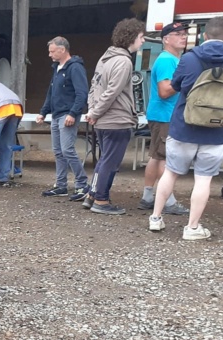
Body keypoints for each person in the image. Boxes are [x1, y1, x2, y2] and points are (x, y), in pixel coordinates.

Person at [148, 16, 223, 240]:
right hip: (217, 130)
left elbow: (176, 85)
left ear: (204, 36)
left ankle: (155, 218)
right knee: (203, 179)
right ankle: (192, 228)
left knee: (170, 173)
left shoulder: (190, 58)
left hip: (184, 127)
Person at [83, 18, 146, 215]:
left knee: (103, 160)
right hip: (117, 120)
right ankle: (101, 200)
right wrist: (95, 112)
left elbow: (94, 87)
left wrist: (93, 111)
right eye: (141, 37)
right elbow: (112, 92)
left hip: (103, 121)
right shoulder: (124, 61)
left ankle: (92, 194)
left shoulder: (105, 58)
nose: (143, 41)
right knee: (110, 162)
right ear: (132, 37)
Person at [139, 22, 190, 215]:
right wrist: (188, 81)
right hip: (166, 115)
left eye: (184, 34)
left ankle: (148, 196)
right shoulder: (168, 60)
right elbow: (164, 91)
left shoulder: (169, 59)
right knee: (165, 159)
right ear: (166, 39)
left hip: (160, 115)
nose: (183, 37)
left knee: (156, 156)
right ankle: (168, 201)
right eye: (178, 34)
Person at [37, 37, 90, 201]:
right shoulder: (57, 68)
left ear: (62, 50)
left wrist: (73, 113)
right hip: (57, 114)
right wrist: (44, 111)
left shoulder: (75, 68)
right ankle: (61, 185)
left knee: (67, 150)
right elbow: (51, 92)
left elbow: (82, 93)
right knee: (59, 151)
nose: (49, 54)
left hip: (67, 115)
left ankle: (82, 184)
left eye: (52, 51)